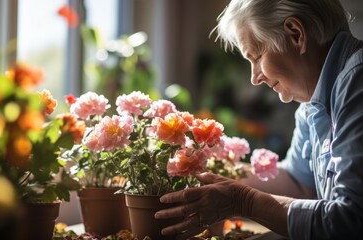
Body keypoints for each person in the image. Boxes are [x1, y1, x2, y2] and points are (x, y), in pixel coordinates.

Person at [154, 0, 363, 239]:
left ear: (296, 35)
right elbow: (299, 183)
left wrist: (244, 201)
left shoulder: (357, 82)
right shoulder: (312, 100)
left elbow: (351, 220)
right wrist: (210, 169)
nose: (255, 78)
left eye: (257, 56)